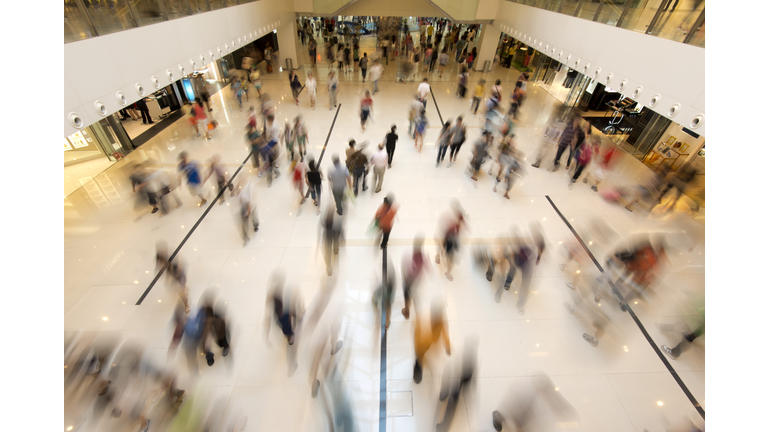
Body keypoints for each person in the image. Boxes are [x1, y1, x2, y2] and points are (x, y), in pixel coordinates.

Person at [413, 300, 451, 384]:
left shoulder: (441, 320)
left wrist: (447, 345)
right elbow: (416, 336)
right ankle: (417, 371)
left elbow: (444, 332)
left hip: (431, 345)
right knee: (419, 359)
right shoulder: (423, 319)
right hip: (422, 346)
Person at [435, 208, 466, 281]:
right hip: (448, 241)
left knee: (451, 259)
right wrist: (442, 248)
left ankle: (446, 270)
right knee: (450, 258)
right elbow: (440, 237)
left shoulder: (455, 225)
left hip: (451, 242)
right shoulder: (450, 225)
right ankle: (447, 271)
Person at [237, 176, 259, 246]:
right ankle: (245, 237)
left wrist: (249, 209)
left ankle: (255, 225)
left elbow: (251, 198)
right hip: (244, 206)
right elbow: (239, 196)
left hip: (251, 204)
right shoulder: (240, 186)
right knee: (243, 223)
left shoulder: (250, 186)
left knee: (254, 216)